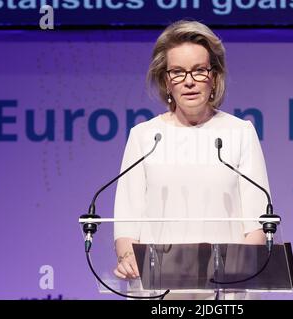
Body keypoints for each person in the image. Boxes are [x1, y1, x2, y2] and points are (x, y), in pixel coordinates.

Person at [112, 20, 271, 298]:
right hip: (157, 290)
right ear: (165, 80)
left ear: (215, 77)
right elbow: (127, 221)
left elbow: (257, 225)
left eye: (199, 71)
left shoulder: (240, 133)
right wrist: (128, 257)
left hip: (225, 291)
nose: (188, 81)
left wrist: (238, 271)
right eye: (177, 72)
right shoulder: (145, 137)